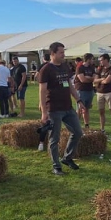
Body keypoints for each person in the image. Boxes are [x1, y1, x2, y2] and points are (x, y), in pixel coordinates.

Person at [38, 42, 82, 175]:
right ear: (53, 54)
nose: (64, 54)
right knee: (54, 139)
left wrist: (78, 99)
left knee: (78, 132)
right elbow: (42, 91)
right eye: (61, 52)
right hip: (54, 109)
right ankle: (56, 166)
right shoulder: (46, 69)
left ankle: (67, 158)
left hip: (67, 107)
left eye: (64, 52)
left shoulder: (65, 66)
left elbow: (70, 85)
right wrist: (44, 112)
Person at [94, 53, 111, 134]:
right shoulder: (99, 69)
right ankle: (102, 129)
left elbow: (107, 81)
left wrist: (100, 80)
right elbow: (95, 80)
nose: (100, 62)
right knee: (101, 111)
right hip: (100, 92)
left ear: (106, 60)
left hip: (109, 92)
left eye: (101, 60)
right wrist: (102, 79)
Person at [74, 54, 96, 127]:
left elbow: (94, 78)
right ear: (88, 59)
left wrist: (88, 78)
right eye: (92, 59)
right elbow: (82, 80)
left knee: (87, 109)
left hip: (89, 90)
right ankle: (76, 125)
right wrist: (90, 79)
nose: (93, 61)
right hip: (81, 90)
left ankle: (86, 125)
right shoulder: (80, 68)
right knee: (80, 108)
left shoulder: (91, 68)